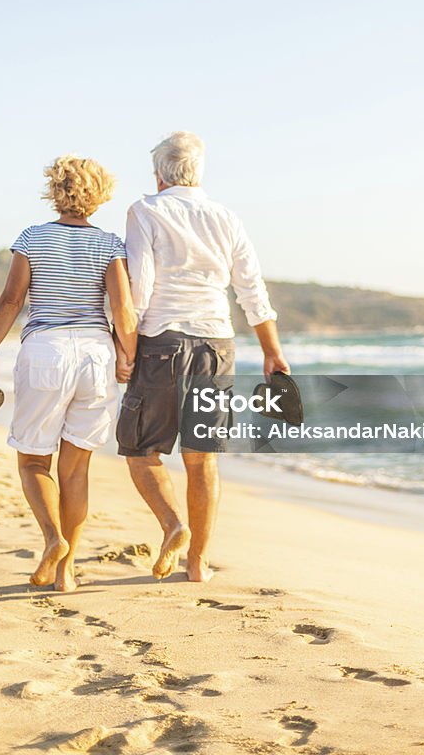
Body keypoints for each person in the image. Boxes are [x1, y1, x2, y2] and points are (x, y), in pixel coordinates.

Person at [0, 156, 137, 592]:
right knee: (76, 469)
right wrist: (128, 355)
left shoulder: (32, 237)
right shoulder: (110, 244)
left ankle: (53, 540)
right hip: (95, 354)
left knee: (35, 460)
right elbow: (122, 308)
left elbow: (11, 302)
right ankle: (65, 573)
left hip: (45, 353)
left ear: (55, 190)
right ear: (101, 194)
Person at [115, 131, 289, 583]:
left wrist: (126, 350)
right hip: (217, 344)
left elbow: (140, 286)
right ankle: (197, 564)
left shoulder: (145, 210)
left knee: (141, 450)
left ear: (159, 174)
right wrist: (272, 352)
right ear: (198, 173)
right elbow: (251, 288)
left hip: (162, 342)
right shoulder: (225, 217)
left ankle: (174, 526)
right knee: (202, 457)